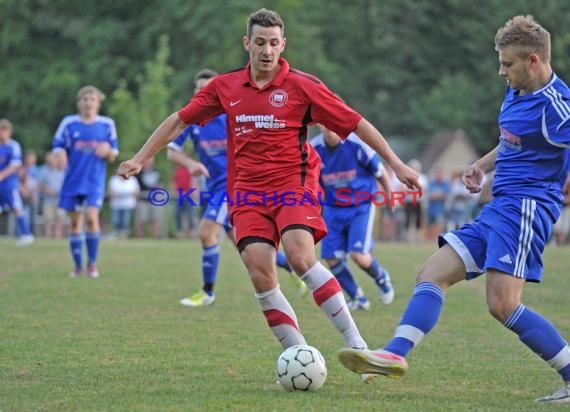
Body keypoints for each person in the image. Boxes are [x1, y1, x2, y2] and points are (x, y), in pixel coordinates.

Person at [118, 8, 420, 379]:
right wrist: (139, 158)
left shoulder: (304, 85)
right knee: (260, 272)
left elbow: (356, 123)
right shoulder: (225, 87)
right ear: (247, 43)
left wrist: (397, 165)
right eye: (259, 42)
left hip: (293, 185)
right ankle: (299, 358)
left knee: (299, 257)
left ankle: (360, 350)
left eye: (274, 43)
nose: (267, 50)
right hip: (246, 192)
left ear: (283, 45)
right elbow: (179, 119)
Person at [338, 15, 570, 403]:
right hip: (499, 207)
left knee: (503, 305)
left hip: (527, 208)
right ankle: (394, 353)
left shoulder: (556, 108)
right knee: (431, 273)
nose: (501, 71)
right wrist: (481, 164)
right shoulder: (517, 92)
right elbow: (513, 142)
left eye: (508, 64)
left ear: (533, 61)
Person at [167, 68, 306, 307]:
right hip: (214, 188)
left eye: (207, 88)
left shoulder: (231, 115)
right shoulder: (193, 121)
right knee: (247, 249)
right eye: (199, 89)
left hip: (235, 186)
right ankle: (294, 270)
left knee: (206, 232)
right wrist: (192, 164)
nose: (203, 93)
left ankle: (207, 293)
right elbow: (172, 152)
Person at [311, 124, 394, 311]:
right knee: (331, 258)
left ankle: (381, 277)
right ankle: (358, 297)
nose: (327, 125)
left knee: (359, 256)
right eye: (322, 121)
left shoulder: (356, 145)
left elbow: (379, 171)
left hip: (360, 206)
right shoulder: (314, 149)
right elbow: (309, 179)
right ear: (317, 123)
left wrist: (391, 195)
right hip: (333, 208)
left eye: (329, 119)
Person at [52, 85, 119, 278]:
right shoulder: (69, 123)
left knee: (91, 218)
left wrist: (107, 148)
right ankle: (77, 265)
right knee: (74, 224)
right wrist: (60, 153)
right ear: (79, 103)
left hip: (94, 182)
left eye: (92, 99)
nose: (88, 102)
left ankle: (92, 264)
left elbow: (113, 153)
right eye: (85, 99)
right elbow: (57, 145)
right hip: (73, 180)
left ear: (98, 103)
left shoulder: (107, 124)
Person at [0, 119, 34, 245]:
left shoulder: (13, 146)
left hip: (9, 184)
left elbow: (15, 165)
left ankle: (27, 234)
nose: (1, 132)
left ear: (9, 132)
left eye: (4, 130)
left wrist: (2, 175)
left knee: (17, 208)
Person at [37, 152, 66, 238]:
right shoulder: (44, 170)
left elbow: (67, 184)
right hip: (48, 199)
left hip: (60, 198)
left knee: (60, 217)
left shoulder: (63, 170)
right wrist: (46, 190)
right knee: (48, 218)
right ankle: (48, 235)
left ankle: (58, 235)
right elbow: (39, 185)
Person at [134, 157, 163, 238]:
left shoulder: (156, 171)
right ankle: (140, 237)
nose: (148, 164)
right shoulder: (139, 172)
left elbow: (160, 184)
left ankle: (156, 236)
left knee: (156, 218)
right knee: (140, 219)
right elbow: (135, 185)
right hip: (142, 199)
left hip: (154, 200)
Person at [108, 174, 139, 239]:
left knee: (125, 222)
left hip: (128, 204)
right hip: (116, 205)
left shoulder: (132, 179)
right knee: (116, 221)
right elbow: (110, 191)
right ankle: (116, 236)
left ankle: (123, 237)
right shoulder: (114, 179)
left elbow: (136, 191)